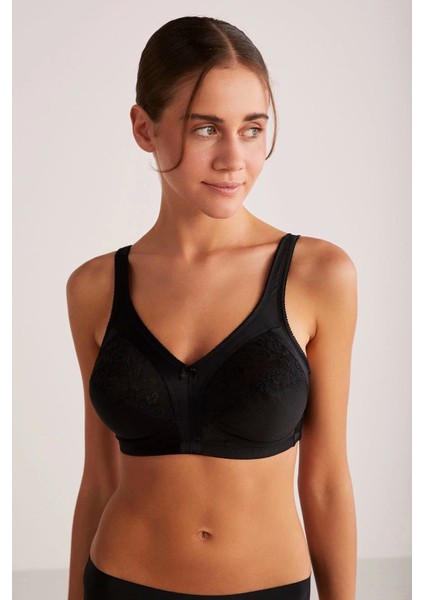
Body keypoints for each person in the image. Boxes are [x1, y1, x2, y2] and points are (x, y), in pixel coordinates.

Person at [66, 16, 357, 600]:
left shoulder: (319, 275)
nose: (234, 158)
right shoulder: (95, 287)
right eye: (206, 129)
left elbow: (325, 482)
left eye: (252, 129)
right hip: (119, 582)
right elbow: (99, 480)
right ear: (144, 128)